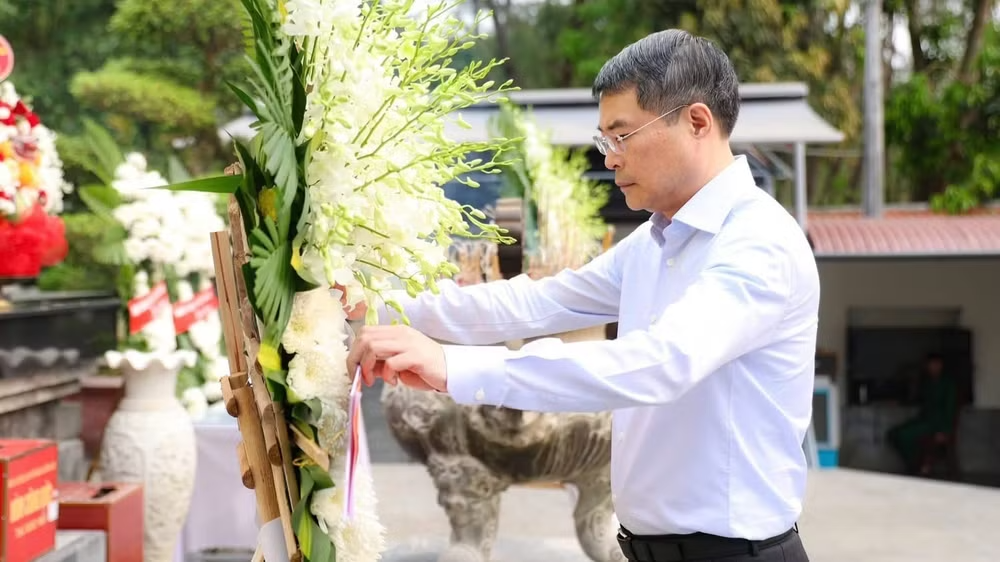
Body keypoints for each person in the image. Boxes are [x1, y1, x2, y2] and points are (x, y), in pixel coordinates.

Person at [345, 29, 819, 562]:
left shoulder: (759, 243)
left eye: (622, 135)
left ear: (696, 122)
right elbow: (538, 303)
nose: (610, 159)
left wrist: (453, 366)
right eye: (604, 140)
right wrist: (381, 302)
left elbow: (657, 363)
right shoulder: (655, 241)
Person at [887, 353, 958, 475]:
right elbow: (917, 399)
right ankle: (914, 463)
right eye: (931, 364)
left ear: (941, 365)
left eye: (936, 364)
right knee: (892, 434)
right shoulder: (927, 382)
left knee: (904, 435)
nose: (933, 367)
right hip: (924, 420)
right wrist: (899, 401)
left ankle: (917, 464)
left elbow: (950, 409)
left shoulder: (948, 384)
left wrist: (945, 431)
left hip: (937, 423)